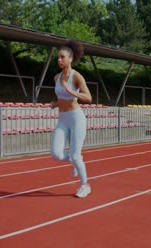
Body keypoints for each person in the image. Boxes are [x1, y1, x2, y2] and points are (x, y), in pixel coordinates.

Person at [50, 40, 92, 198]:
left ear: (70, 58)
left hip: (76, 118)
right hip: (62, 118)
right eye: (58, 57)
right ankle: (73, 162)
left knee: (76, 155)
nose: (59, 60)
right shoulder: (56, 77)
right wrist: (55, 103)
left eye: (62, 57)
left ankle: (85, 185)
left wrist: (71, 91)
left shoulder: (76, 77)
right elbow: (59, 94)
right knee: (55, 153)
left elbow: (88, 98)